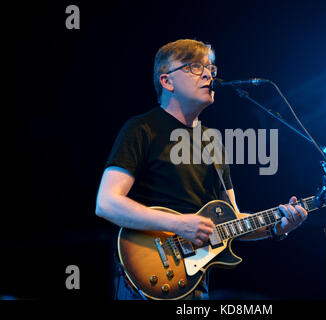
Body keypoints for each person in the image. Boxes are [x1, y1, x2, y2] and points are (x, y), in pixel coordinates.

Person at [95, 39, 308, 300]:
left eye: (210, 68)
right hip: (144, 278)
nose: (207, 73)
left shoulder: (213, 142)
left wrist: (278, 226)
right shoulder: (142, 129)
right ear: (167, 82)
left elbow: (233, 220)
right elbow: (106, 203)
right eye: (194, 67)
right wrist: (178, 224)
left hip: (195, 285)